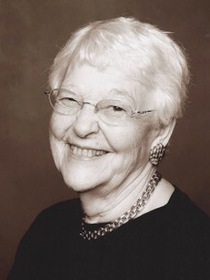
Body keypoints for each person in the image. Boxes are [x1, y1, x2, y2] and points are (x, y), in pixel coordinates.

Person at [8, 17, 210, 280]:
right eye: (70, 99)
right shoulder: (49, 228)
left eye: (115, 107)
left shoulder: (193, 253)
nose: (82, 127)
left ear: (161, 131)